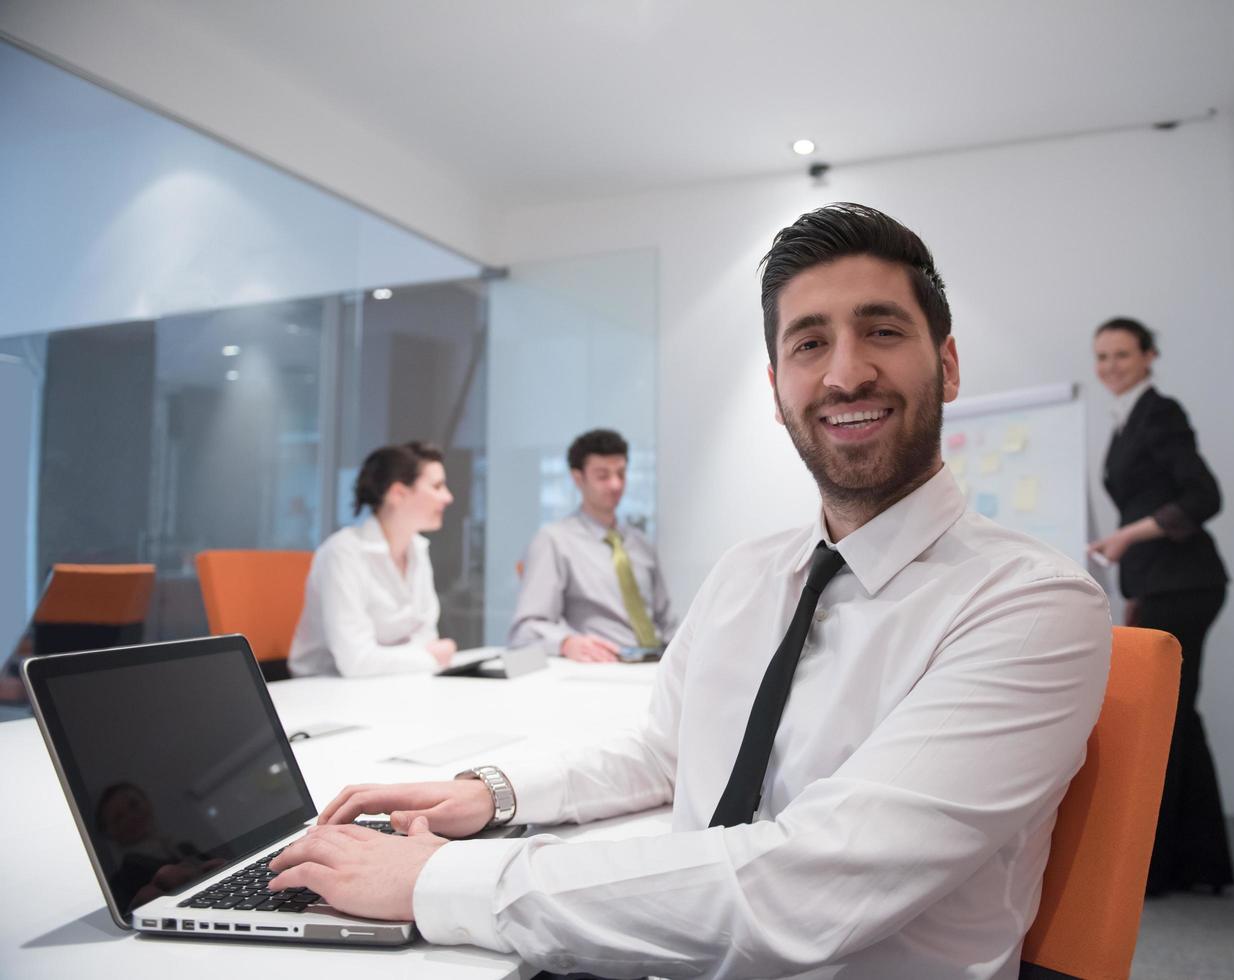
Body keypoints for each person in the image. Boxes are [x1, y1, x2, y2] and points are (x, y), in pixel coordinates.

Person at [267, 204, 1113, 979]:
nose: (844, 374)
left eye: (881, 330)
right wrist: (493, 795)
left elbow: (800, 889)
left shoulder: (1030, 605)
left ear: (948, 365)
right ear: (778, 392)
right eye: (808, 344)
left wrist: (446, 881)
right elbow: (667, 754)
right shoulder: (750, 572)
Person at [1088, 317, 1234, 895]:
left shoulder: (1159, 412)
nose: (1110, 366)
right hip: (1163, 583)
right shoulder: (1129, 420)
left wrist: (1128, 538)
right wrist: (1125, 546)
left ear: (1149, 357)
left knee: (1163, 718)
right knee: (1178, 717)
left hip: (1185, 583)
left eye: (1122, 355)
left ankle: (1162, 868)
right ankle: (1195, 865)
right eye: (1101, 356)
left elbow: (1205, 496)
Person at [288, 441, 458, 677]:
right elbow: (356, 661)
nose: (447, 497)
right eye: (437, 486)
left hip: (390, 682)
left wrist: (420, 655)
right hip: (324, 690)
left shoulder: (418, 550)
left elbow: (426, 636)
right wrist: (429, 656)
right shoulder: (343, 553)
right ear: (398, 493)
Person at [508, 429, 675, 663]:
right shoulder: (554, 541)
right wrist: (566, 643)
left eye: (621, 473)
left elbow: (666, 622)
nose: (616, 484)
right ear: (578, 478)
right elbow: (525, 629)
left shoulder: (641, 544)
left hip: (657, 666)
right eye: (603, 476)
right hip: (602, 667)